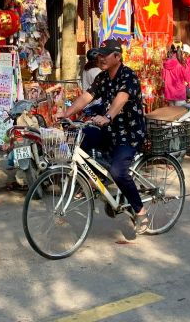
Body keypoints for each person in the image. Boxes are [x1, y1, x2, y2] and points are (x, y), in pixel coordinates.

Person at [61, 39, 148, 233]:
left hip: (129, 133)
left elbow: (121, 98)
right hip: (109, 130)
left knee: (118, 171)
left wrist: (108, 116)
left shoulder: (128, 76)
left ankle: (140, 211)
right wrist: (66, 113)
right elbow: (87, 96)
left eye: (105, 55)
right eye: (99, 55)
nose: (101, 58)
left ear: (117, 56)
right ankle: (97, 180)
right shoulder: (102, 77)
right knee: (81, 137)